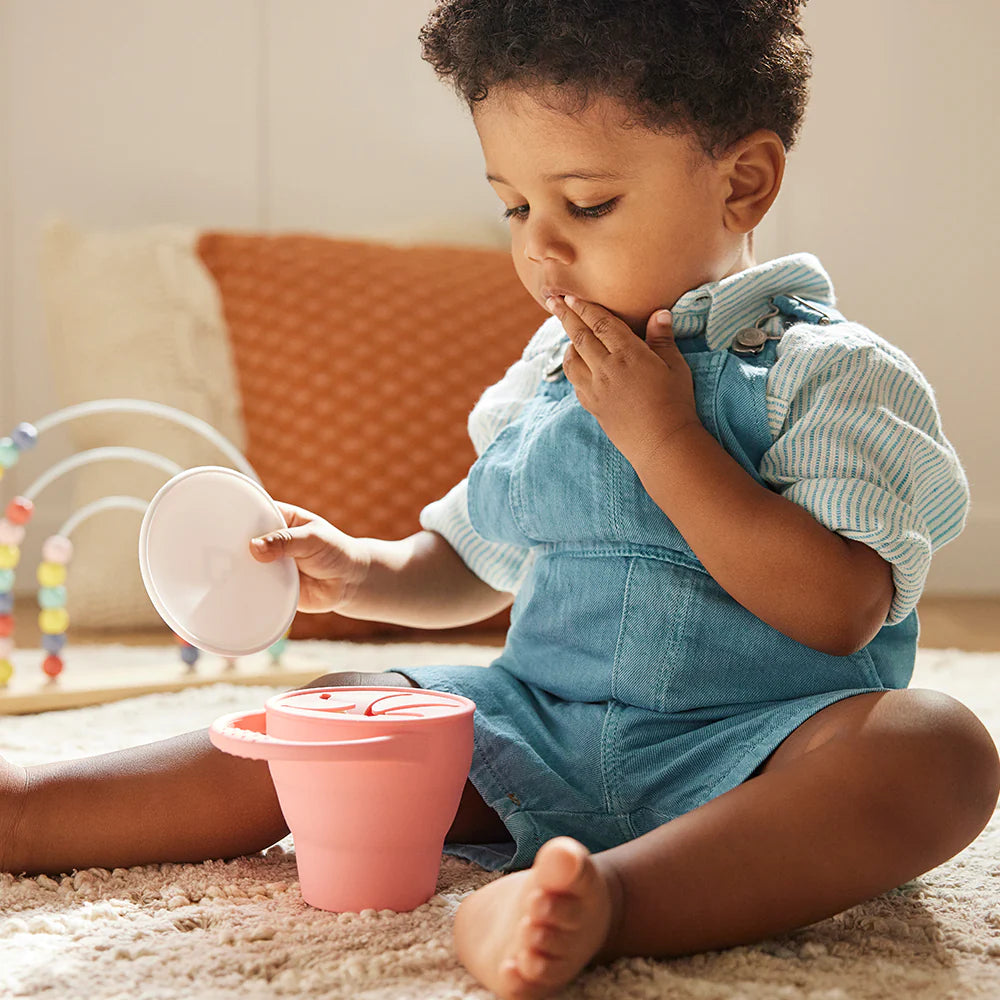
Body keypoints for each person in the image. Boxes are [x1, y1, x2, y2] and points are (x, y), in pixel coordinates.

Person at [2, 2, 998, 998]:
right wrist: (360, 570)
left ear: (743, 183)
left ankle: (608, 901)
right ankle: (35, 810)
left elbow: (837, 612)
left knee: (936, 749)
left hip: (758, 755)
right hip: (538, 730)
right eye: (517, 208)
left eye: (587, 205)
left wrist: (666, 440)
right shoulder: (550, 373)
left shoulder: (828, 375)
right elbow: (470, 560)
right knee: (336, 711)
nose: (539, 251)